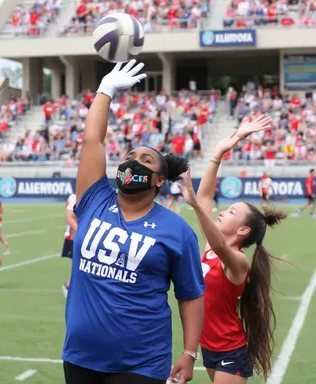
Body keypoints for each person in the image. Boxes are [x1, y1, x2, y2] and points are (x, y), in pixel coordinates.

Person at [62, 60, 205, 384]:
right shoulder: (95, 199)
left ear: (158, 180)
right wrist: (105, 90)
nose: (133, 161)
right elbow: (92, 142)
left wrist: (189, 351)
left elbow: (191, 293)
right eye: (129, 155)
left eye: (145, 160)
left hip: (141, 363)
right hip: (80, 355)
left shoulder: (176, 230)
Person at [177, 116, 286, 383]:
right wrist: (219, 152)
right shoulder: (212, 250)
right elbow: (204, 198)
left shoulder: (237, 261)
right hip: (210, 347)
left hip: (231, 350)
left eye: (232, 212)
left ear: (243, 231)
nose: (223, 212)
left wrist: (197, 208)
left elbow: (211, 229)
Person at [61, 193, 77, 298]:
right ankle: (69, 287)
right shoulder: (74, 197)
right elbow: (70, 218)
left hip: (80, 236)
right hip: (73, 237)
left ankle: (70, 286)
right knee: (78, 265)